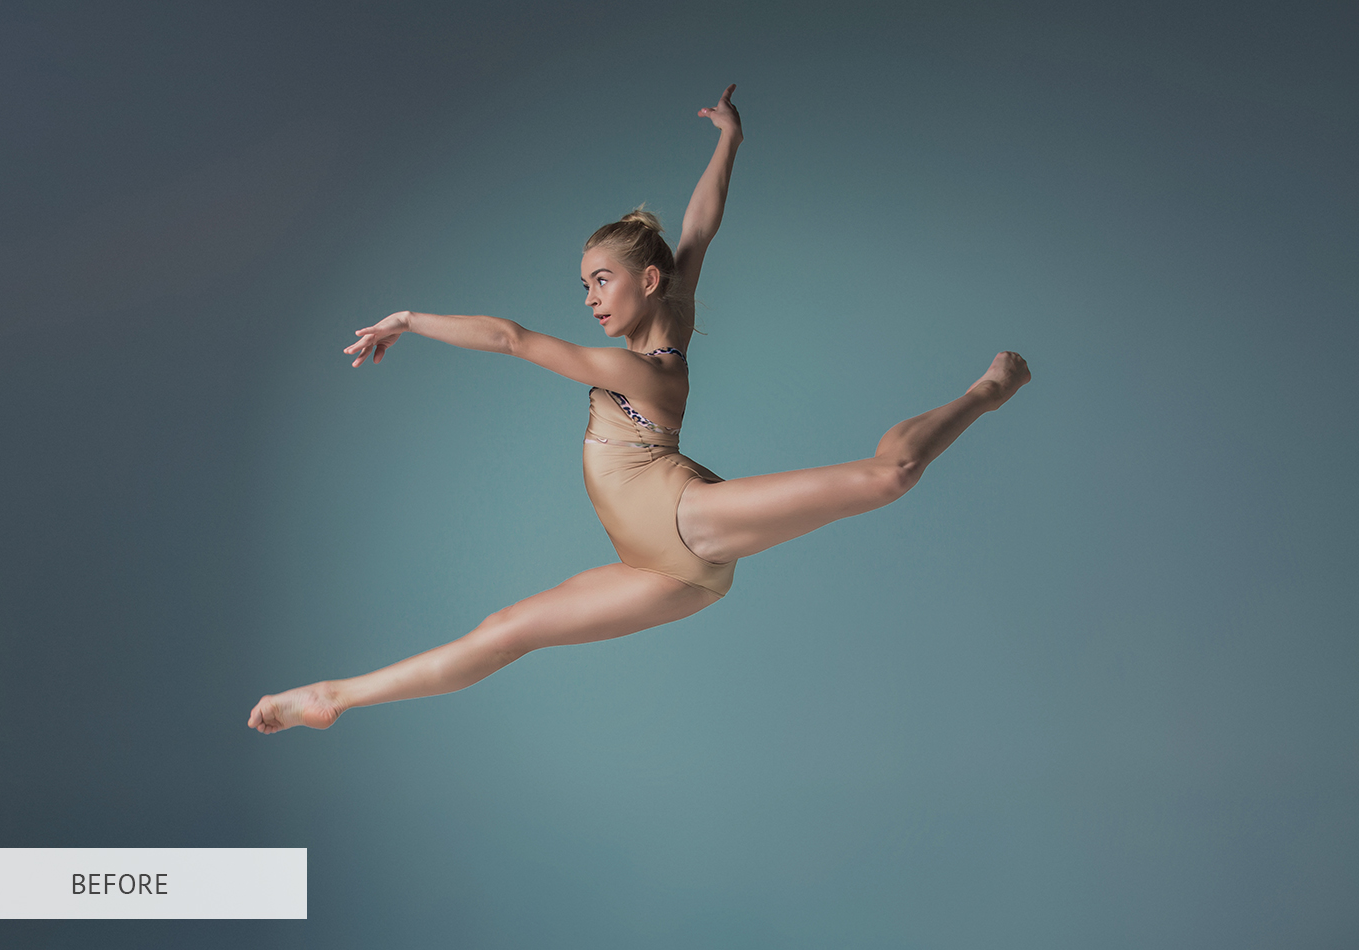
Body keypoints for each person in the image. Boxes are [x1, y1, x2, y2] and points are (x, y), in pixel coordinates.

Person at [247, 85, 1029, 734]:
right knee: (502, 634)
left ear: (647, 281)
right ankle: (332, 696)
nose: (590, 299)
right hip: (659, 572)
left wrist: (410, 320)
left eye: (602, 281)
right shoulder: (673, 315)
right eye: (584, 285)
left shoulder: (637, 371)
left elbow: (511, 338)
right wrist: (731, 140)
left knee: (891, 475)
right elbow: (701, 224)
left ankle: (986, 391)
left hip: (686, 524)